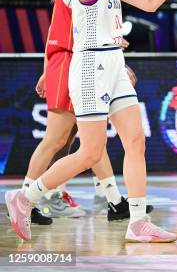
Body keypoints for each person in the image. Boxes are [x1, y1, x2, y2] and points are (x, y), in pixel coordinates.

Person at [5, 0, 177, 242]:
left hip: (114, 64)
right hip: (91, 66)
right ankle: (25, 197)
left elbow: (149, 2)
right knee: (90, 152)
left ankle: (137, 223)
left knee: (135, 141)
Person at [30, 12, 151, 222]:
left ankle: (110, 199)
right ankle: (28, 199)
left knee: (92, 142)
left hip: (87, 63)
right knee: (58, 140)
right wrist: (48, 71)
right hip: (75, 63)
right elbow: (57, 37)